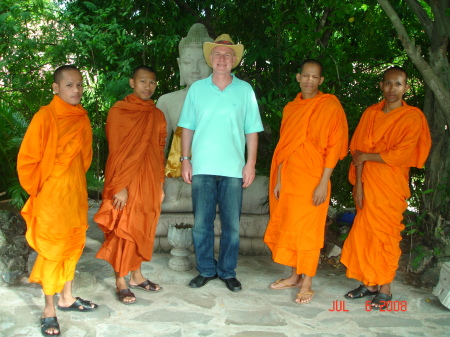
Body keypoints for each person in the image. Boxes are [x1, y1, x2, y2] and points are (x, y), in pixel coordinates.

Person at [341, 66, 431, 310]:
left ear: (406, 88)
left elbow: (401, 154)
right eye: (388, 83)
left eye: (398, 84)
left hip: (391, 184)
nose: (393, 89)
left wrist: (368, 156)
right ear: (381, 85)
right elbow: (357, 152)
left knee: (387, 236)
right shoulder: (371, 113)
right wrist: (358, 185)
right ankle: (369, 284)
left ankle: (385, 288)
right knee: (366, 234)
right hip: (368, 182)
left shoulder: (412, 117)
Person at [178, 34, 264, 292]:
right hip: (202, 168)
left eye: (227, 55)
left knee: (232, 226)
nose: (222, 59)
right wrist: (185, 160)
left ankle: (227, 271)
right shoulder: (197, 89)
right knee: (202, 224)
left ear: (234, 60)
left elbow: (252, 131)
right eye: (217, 54)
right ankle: (205, 269)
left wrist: (250, 164)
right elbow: (187, 128)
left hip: (233, 170)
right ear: (210, 59)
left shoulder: (245, 90)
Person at [17, 65, 97, 336]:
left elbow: (84, 158)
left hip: (74, 192)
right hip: (51, 195)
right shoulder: (45, 116)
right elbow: (28, 159)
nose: (76, 90)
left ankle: (67, 297)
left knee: (73, 243)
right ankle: (49, 308)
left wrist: (71, 182)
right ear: (56, 88)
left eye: (79, 85)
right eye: (69, 85)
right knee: (52, 251)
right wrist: (45, 184)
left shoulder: (81, 118)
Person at [263, 59, 348, 304]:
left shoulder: (329, 106)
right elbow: (283, 147)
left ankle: (307, 281)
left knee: (309, 232)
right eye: (306, 76)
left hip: (314, 179)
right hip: (289, 178)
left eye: (315, 77)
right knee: (291, 228)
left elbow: (334, 148)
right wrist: (278, 180)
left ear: (321, 81)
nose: (309, 81)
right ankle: (294, 276)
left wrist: (324, 182)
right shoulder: (291, 108)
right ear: (298, 77)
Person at [94, 65, 167, 304]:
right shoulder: (119, 111)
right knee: (124, 228)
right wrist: (119, 186)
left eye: (152, 83)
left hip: (149, 180)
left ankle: (136, 275)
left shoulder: (156, 114)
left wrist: (160, 184)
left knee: (143, 226)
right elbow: (115, 151)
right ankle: (121, 281)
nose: (148, 87)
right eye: (143, 82)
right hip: (126, 180)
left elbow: (159, 150)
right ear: (132, 82)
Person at [157, 23, 213, 177]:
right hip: (179, 174)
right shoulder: (166, 101)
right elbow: (159, 148)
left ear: (214, 65)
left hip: (216, 173)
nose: (195, 69)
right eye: (188, 62)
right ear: (179, 65)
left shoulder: (224, 100)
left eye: (202, 62)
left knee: (260, 187)